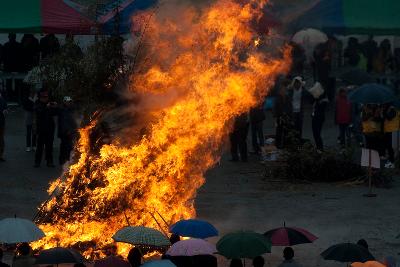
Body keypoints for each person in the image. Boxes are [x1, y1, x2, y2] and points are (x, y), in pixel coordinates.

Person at [34, 90, 57, 167]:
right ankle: (37, 162)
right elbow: (39, 111)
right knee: (39, 146)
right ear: (41, 97)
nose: (45, 98)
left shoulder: (50, 104)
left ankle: (49, 161)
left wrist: (55, 107)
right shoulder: (37, 104)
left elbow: (55, 113)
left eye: (47, 97)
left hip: (50, 129)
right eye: (44, 97)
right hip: (41, 129)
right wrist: (46, 107)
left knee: (49, 146)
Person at [58, 96, 78, 165]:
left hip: (71, 131)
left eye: (69, 101)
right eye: (66, 101)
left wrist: (73, 130)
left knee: (70, 146)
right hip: (63, 132)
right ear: (64, 102)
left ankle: (68, 159)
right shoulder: (61, 109)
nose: (68, 103)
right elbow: (62, 122)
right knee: (63, 146)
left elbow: (74, 120)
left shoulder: (72, 109)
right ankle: (62, 160)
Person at [273, 79, 292, 148]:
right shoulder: (278, 98)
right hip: (279, 118)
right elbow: (275, 108)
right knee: (279, 131)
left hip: (286, 117)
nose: (283, 91)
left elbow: (290, 107)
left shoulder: (287, 98)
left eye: (284, 90)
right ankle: (277, 145)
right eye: (282, 90)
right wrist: (276, 117)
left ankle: (285, 145)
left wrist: (289, 115)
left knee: (286, 132)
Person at [310, 83, 328, 151]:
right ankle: (319, 147)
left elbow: (321, 107)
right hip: (315, 117)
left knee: (317, 133)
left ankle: (320, 148)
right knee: (316, 133)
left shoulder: (322, 100)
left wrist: (317, 101)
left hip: (318, 118)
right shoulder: (317, 99)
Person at [382, 103, 397, 168]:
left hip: (392, 130)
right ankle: (389, 160)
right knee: (387, 145)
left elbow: (389, 118)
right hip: (387, 129)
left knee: (390, 146)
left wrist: (384, 112)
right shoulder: (387, 108)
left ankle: (392, 162)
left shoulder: (392, 109)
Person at [0, 92, 7, 162]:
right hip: (2, 122)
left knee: (1, 139)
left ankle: (1, 155)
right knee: (1, 139)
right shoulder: (3, 99)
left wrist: (5, 111)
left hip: (1, 122)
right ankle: (1, 155)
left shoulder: (2, 100)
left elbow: (5, 109)